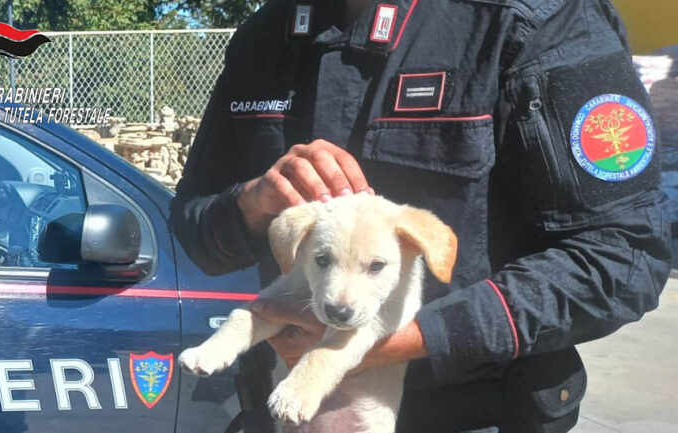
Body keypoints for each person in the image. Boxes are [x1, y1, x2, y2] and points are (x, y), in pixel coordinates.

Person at [170, 0, 671, 431]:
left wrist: (401, 339)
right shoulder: (264, 37)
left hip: (472, 414)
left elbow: (622, 255)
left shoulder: (533, 20)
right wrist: (254, 203)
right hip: (284, 411)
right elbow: (194, 229)